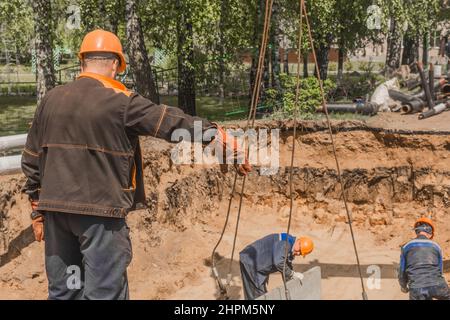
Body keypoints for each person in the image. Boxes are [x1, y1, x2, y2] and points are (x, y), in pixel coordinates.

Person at [22, 29, 251, 300]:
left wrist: (37, 211)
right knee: (104, 293)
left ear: (82, 61)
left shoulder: (50, 100)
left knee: (65, 292)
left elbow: (32, 159)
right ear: (117, 65)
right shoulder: (121, 103)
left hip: (57, 216)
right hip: (101, 218)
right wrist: (215, 135)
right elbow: (169, 122)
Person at [239, 233, 314, 300]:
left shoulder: (290, 247)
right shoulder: (286, 243)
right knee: (257, 296)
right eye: (299, 250)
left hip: (258, 266)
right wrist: (292, 274)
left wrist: (292, 283)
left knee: (261, 295)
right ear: (298, 241)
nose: (297, 253)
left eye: (300, 253)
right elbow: (279, 262)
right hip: (251, 262)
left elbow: (285, 266)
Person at [398, 217, 450, 300]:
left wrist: (403, 286)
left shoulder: (406, 246)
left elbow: (402, 271)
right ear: (430, 232)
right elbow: (440, 270)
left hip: (417, 288)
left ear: (416, 231)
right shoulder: (436, 246)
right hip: (438, 285)